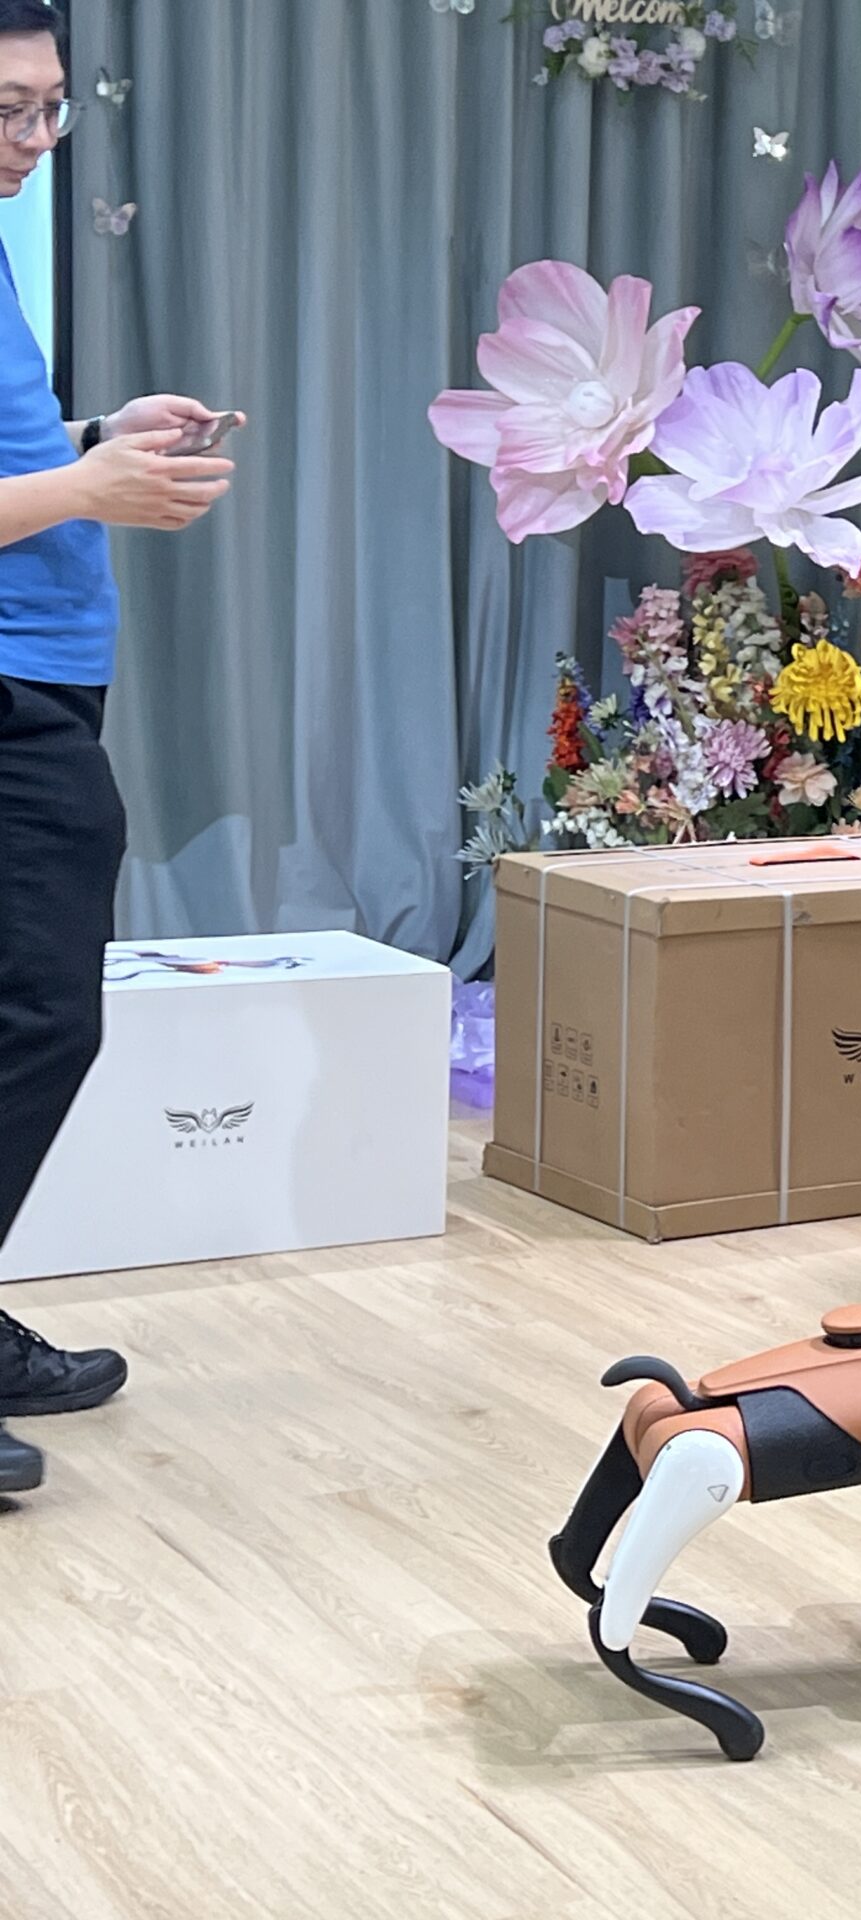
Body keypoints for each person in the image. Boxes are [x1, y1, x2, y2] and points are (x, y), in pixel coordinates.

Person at [0, 0, 239, 1497]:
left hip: (41, 672)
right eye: (5, 110)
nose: (34, 141)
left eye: (49, 110)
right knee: (40, 1013)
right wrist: (88, 489)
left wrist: (95, 436)